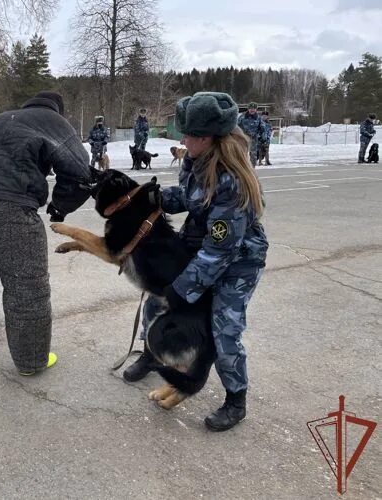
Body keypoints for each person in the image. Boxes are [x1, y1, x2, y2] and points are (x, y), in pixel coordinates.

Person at [123, 91, 268, 432]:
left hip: (238, 263)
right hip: (205, 249)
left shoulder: (232, 181)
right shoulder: (196, 159)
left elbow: (222, 251)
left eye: (187, 134)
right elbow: (190, 198)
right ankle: (151, 353)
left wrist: (182, 289)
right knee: (156, 303)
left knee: (223, 330)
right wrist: (152, 198)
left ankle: (236, 399)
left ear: (207, 137)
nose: (182, 139)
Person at [0, 91, 92, 375]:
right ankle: (31, 362)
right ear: (58, 110)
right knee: (26, 287)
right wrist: (59, 207)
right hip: (14, 208)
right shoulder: (53, 121)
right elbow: (81, 171)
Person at [237, 102, 263, 167]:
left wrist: (260, 136)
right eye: (251, 108)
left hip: (254, 139)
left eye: (254, 109)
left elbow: (262, 128)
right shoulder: (242, 117)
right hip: (244, 138)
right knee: (242, 153)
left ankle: (252, 168)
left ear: (256, 109)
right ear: (248, 109)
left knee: (253, 155)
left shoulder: (258, 118)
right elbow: (237, 127)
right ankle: (241, 168)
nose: (252, 110)